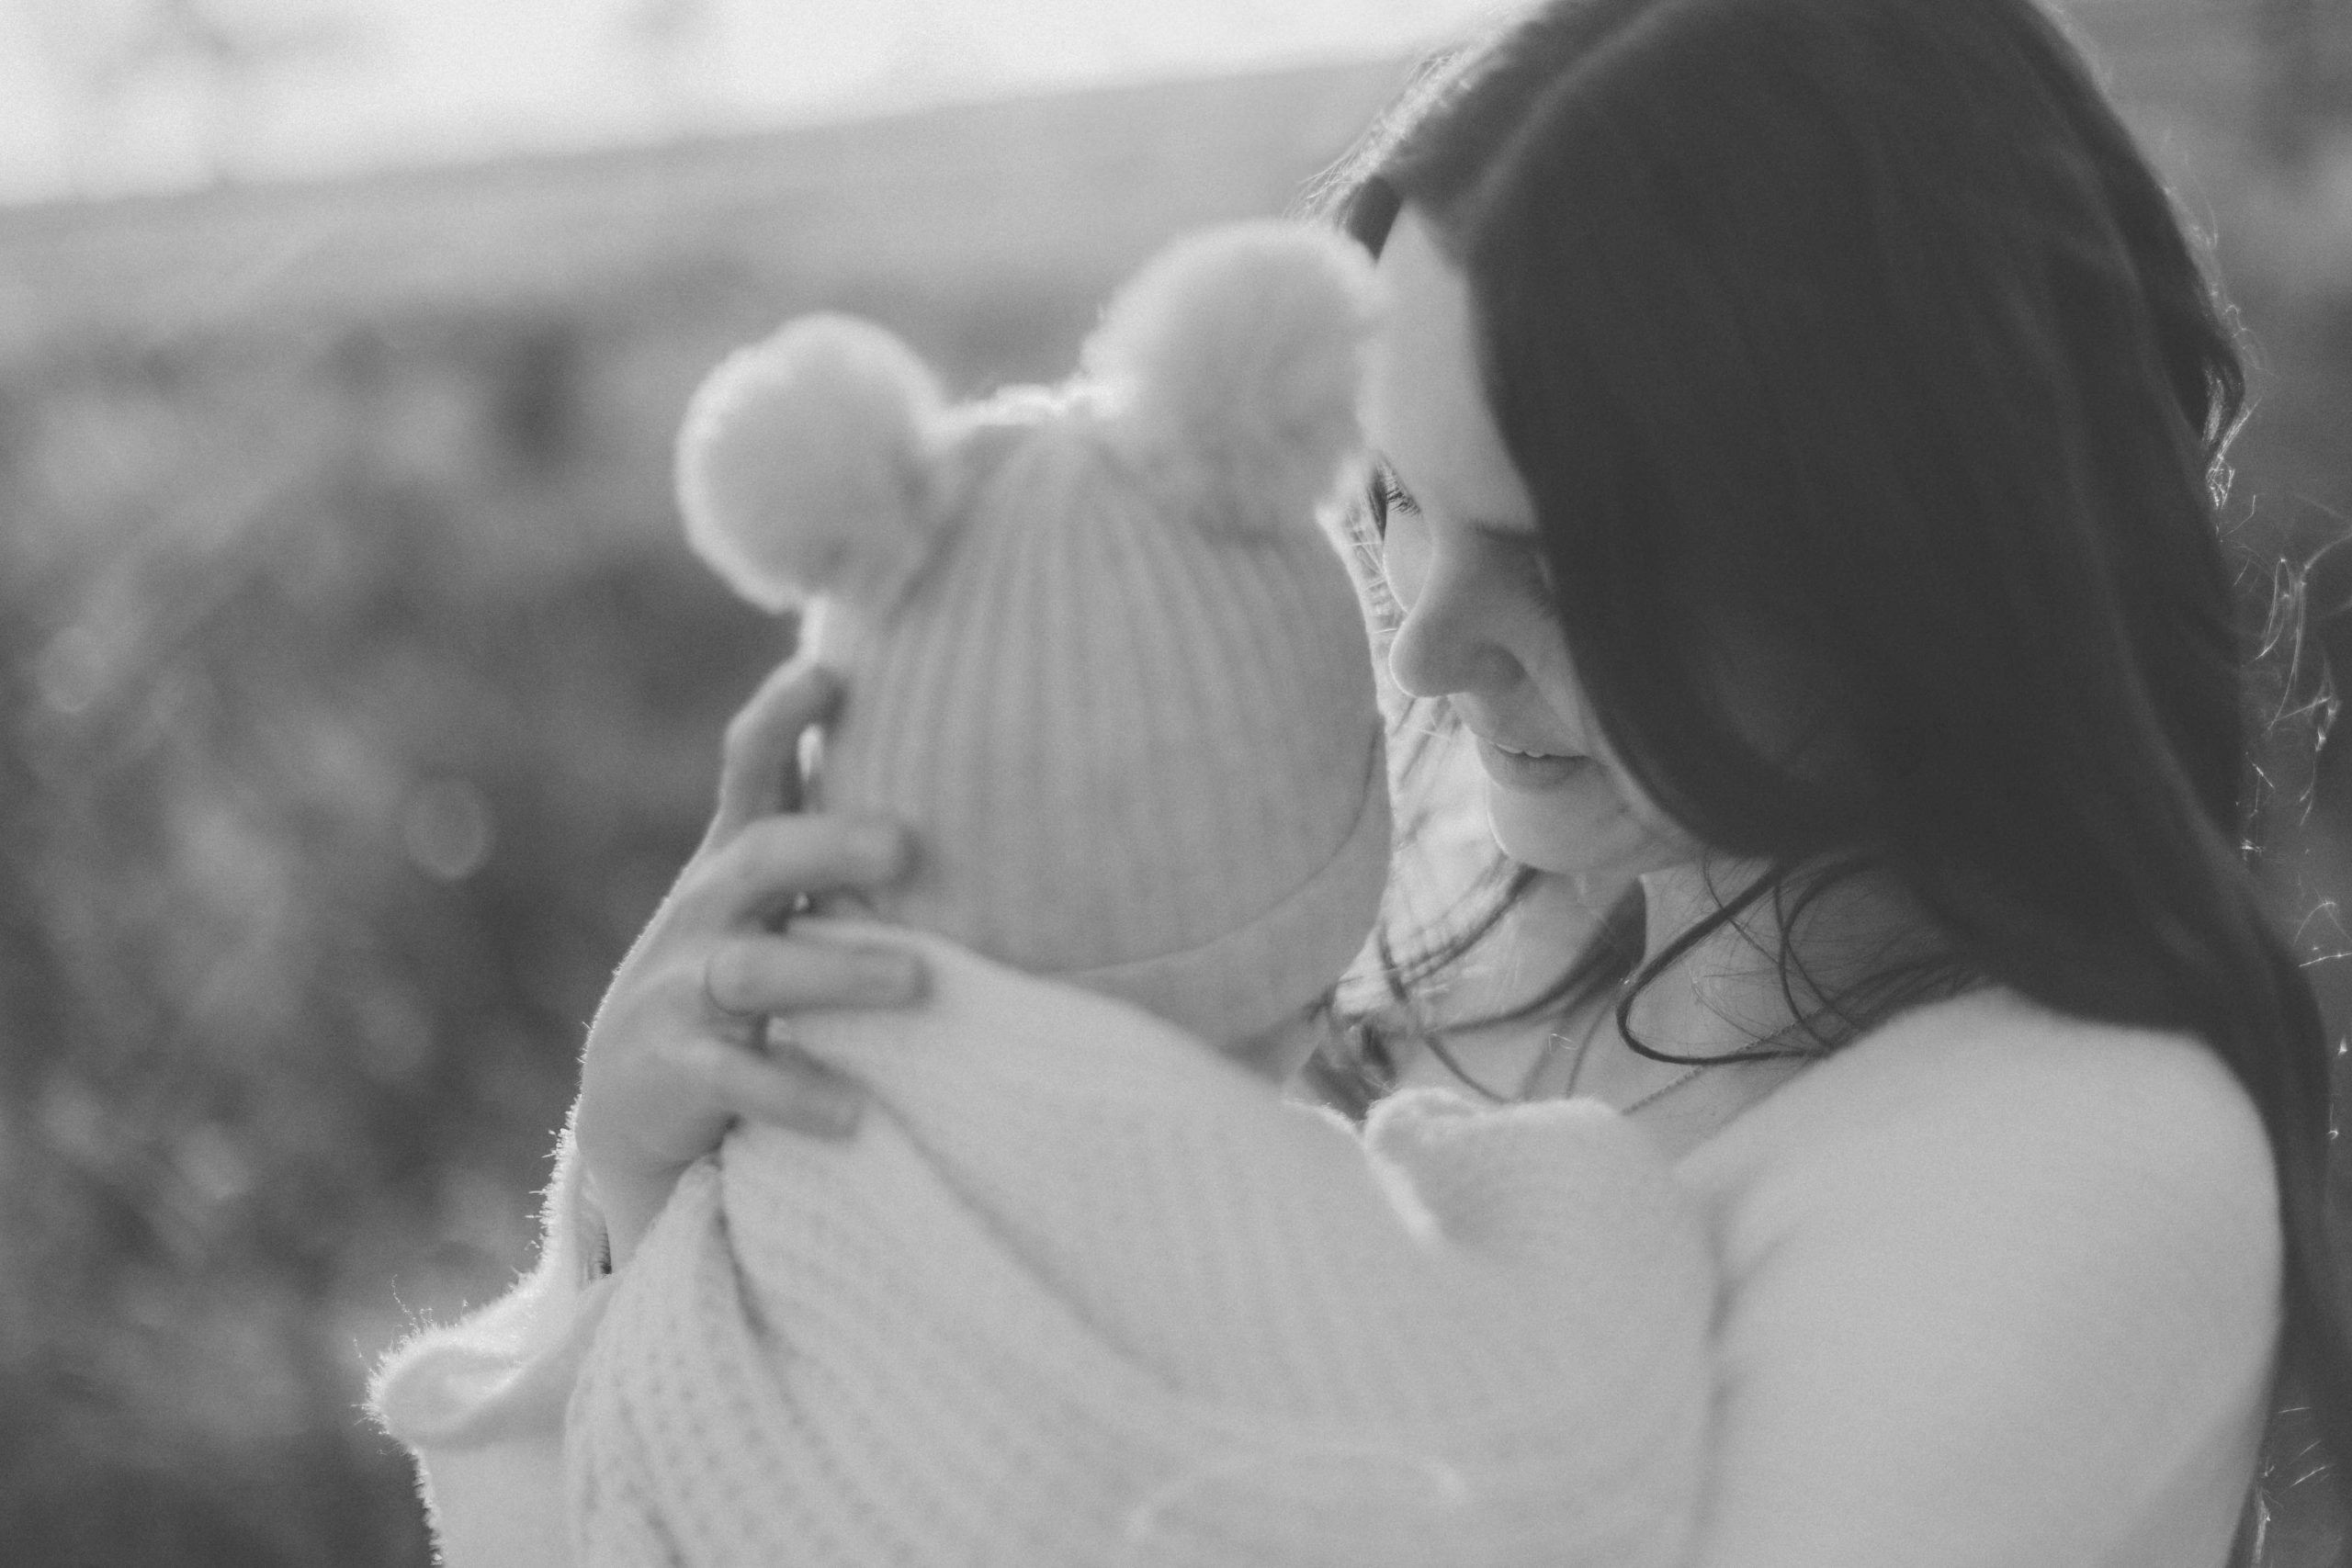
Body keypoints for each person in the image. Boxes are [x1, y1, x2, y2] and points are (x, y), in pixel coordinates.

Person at [382, 0, 2350, 1562]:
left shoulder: (2080, 1162)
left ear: (1911, 527)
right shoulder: (1408, 940)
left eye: (1566, 557)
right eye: (1395, 501)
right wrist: (662, 1190)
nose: (1419, 642)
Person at [373, 223, 1722, 1568]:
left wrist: (652, 1227)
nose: (1423, 648)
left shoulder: (756, 1270)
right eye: (1406, 502)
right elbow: (1567, 1403)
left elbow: (595, 1503)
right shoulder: (1447, 1274)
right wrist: (632, 1169)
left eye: (1549, 533)